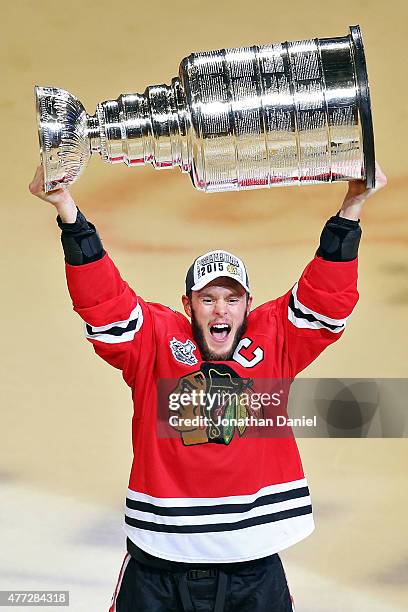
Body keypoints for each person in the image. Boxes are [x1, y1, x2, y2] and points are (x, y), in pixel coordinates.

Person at [29, 164, 387, 612]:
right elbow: (104, 304)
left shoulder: (274, 338)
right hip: (159, 567)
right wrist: (68, 213)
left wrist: (351, 208)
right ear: (188, 305)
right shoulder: (157, 341)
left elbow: (324, 300)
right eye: (208, 298)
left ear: (247, 306)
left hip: (252, 568)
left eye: (232, 298)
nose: (221, 309)